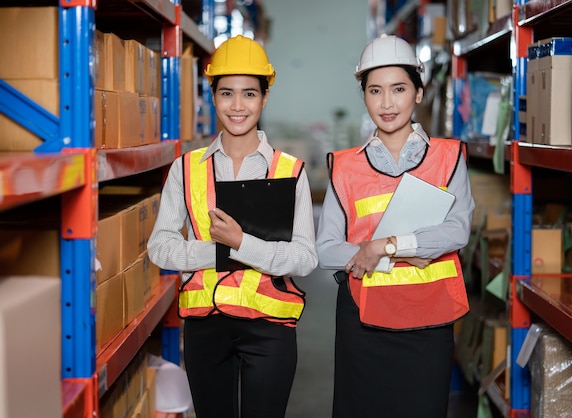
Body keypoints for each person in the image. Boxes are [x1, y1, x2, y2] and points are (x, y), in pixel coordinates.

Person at [147, 35, 318, 418]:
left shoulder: (289, 171)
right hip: (206, 325)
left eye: (249, 94)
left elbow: (305, 258)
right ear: (212, 95)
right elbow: (160, 247)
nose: (237, 106)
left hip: (270, 327)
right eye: (226, 93)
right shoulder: (186, 168)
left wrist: (242, 243)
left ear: (265, 97)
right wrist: (220, 250)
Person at [316, 34, 475, 418]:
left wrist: (382, 247)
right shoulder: (345, 166)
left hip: (428, 322)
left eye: (399, 89)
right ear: (364, 95)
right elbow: (325, 250)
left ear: (418, 93)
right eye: (375, 91)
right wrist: (410, 250)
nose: (387, 103)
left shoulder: (448, 158)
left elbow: (457, 230)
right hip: (363, 319)